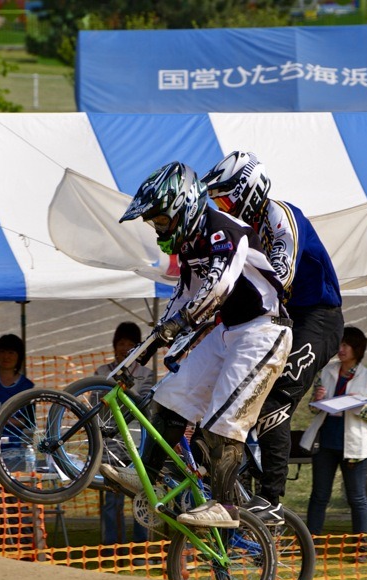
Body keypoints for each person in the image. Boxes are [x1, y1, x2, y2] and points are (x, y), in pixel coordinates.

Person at [101, 161, 292, 528]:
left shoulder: (226, 230)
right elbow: (183, 295)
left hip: (263, 330)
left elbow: (217, 287)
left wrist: (180, 324)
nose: (158, 231)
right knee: (169, 398)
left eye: (160, 221)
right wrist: (151, 347)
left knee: (223, 421)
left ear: (183, 207)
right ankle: (149, 476)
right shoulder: (190, 245)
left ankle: (226, 507)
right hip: (227, 332)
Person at [201, 151, 344, 525]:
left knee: (273, 398)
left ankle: (272, 499)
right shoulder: (242, 229)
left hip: (316, 319)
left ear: (249, 189)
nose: (222, 207)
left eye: (226, 198)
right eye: (216, 201)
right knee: (232, 395)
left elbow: (282, 275)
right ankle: (236, 480)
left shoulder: (280, 215)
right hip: (278, 320)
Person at [302, 326, 367, 539]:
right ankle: (311, 542)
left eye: (346, 344)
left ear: (357, 349)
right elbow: (312, 408)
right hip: (326, 443)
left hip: (354, 445)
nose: (341, 349)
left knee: (356, 497)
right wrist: (317, 400)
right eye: (340, 344)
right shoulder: (325, 372)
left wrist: (358, 405)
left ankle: (360, 545)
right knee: (319, 495)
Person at [94, 321, 155, 547]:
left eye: (130, 344)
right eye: (121, 343)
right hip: (110, 445)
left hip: (138, 444)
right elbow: (95, 403)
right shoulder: (102, 372)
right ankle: (111, 545)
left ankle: (141, 546)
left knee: (141, 496)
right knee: (112, 499)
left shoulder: (147, 374)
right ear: (114, 345)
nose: (124, 348)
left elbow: (145, 404)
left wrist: (124, 390)